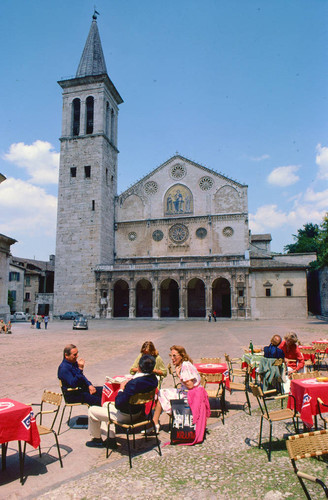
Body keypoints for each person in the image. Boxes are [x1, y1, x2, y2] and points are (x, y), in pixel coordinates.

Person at [86, 354, 158, 448]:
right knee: (105, 404)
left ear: (139, 367)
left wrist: (121, 389)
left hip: (127, 416)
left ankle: (97, 439)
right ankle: (110, 439)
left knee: (92, 410)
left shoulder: (133, 384)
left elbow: (119, 404)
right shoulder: (153, 380)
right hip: (139, 412)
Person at [152, 345, 201, 432]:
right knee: (162, 393)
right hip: (189, 393)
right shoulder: (185, 364)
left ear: (181, 355)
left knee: (161, 393)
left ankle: (158, 422)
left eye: (174, 355)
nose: (172, 358)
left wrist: (179, 375)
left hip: (189, 395)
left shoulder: (185, 365)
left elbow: (190, 385)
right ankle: (155, 422)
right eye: (171, 355)